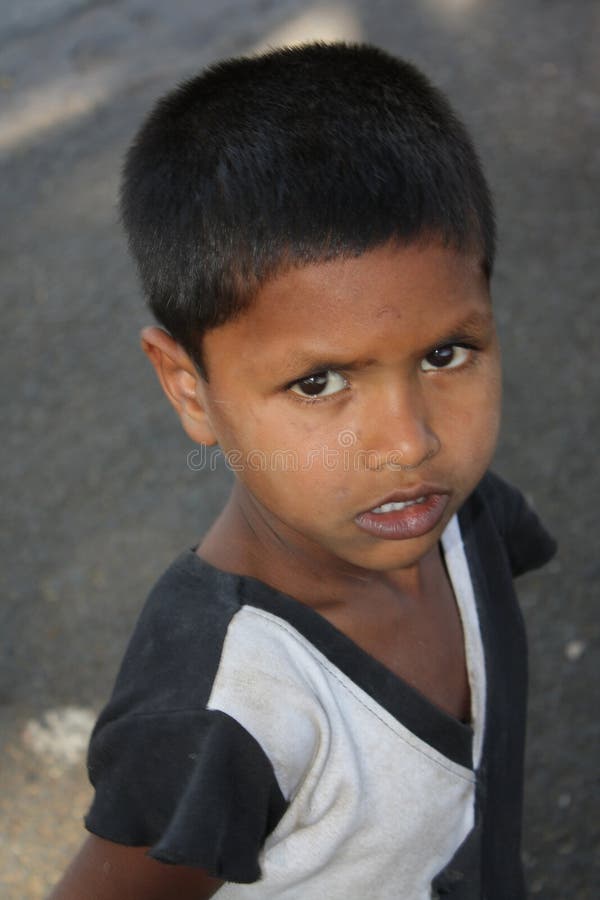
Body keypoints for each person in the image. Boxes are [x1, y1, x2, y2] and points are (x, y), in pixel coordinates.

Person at [49, 42, 556, 900]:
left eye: (445, 352)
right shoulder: (218, 712)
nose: (408, 443)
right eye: (317, 382)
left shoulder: (467, 522)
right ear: (191, 388)